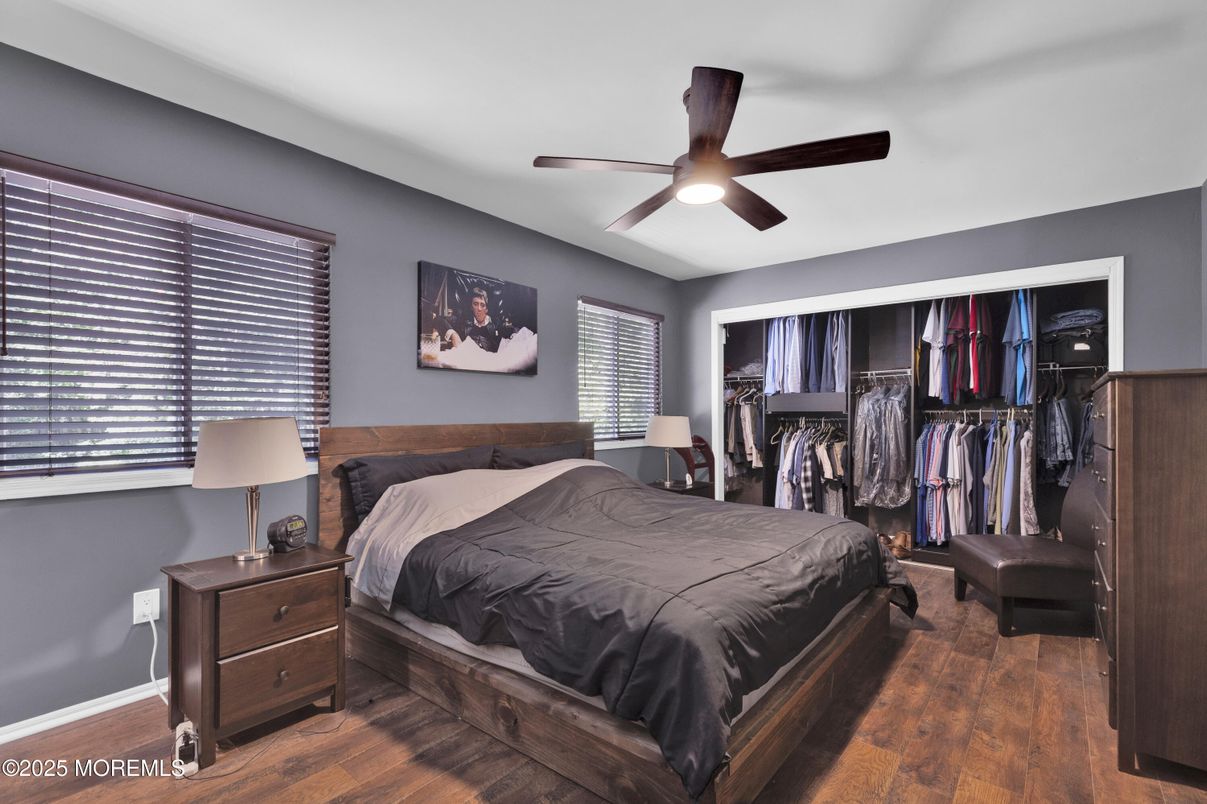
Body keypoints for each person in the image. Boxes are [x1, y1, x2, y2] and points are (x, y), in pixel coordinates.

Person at [445, 287, 502, 352]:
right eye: (475, 304)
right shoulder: (463, 321)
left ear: (486, 309)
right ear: (471, 307)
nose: (479, 309)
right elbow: (440, 320)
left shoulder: (495, 324)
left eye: (482, 305)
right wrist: (453, 334)